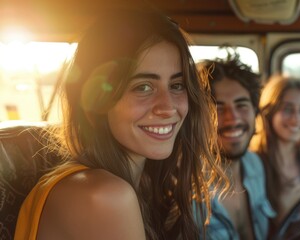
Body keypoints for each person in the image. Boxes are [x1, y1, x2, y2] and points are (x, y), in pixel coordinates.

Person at [14, 5, 227, 240]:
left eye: (177, 85)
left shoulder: (140, 184)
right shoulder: (103, 195)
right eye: (143, 87)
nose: (168, 107)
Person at [194, 51, 276, 240]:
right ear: (197, 119)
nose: (233, 118)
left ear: (255, 112)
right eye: (218, 107)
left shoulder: (255, 164)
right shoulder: (182, 188)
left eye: (241, 105)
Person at [250, 74, 300, 228]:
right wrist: (283, 212)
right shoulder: (253, 164)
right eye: (287, 109)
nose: (296, 119)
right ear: (269, 113)